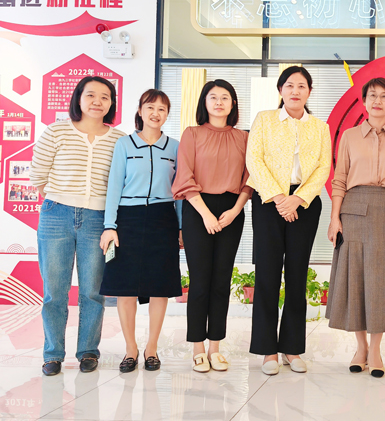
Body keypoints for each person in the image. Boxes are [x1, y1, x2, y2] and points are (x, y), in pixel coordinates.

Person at [30, 76, 126, 376]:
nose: (98, 101)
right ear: (79, 99)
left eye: (105, 97)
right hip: (56, 215)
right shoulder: (56, 131)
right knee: (54, 291)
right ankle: (52, 354)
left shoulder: (119, 139)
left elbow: (120, 183)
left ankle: (88, 351)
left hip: (98, 219)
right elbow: (38, 175)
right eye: (91, 95)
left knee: (93, 291)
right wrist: (61, 200)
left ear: (111, 103)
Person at [326, 77, 385, 378]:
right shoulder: (349, 136)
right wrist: (334, 217)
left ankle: (375, 350)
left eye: (384, 96)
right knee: (356, 280)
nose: (378, 101)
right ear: (364, 102)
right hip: (353, 212)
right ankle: (360, 347)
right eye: (372, 95)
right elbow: (339, 179)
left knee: (381, 283)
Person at [247, 66, 331, 375]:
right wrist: (279, 198)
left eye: (302, 86)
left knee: (297, 275)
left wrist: (298, 198)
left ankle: (292, 348)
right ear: (280, 90)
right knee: (267, 274)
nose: (295, 91)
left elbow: (324, 166)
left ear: (309, 92)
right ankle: (268, 350)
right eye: (290, 85)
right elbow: (254, 159)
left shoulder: (320, 127)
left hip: (305, 204)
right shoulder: (264, 119)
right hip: (269, 202)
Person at [99, 89, 183, 373]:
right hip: (128, 218)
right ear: (140, 111)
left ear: (167, 114)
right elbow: (114, 186)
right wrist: (110, 226)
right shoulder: (124, 144)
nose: (155, 113)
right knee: (125, 287)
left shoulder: (175, 147)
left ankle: (152, 349)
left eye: (161, 109)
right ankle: (130, 349)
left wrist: (180, 227)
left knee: (160, 287)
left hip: (163, 218)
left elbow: (179, 192)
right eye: (150, 107)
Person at [172, 79, 252, 373]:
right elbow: (184, 177)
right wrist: (205, 214)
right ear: (204, 102)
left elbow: (250, 178)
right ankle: (197, 348)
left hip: (232, 209)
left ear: (233, 104)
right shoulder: (192, 134)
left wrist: (235, 210)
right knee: (200, 280)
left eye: (225, 97)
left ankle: (215, 347)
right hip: (198, 209)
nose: (219, 102)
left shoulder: (244, 138)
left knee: (221, 281)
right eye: (213, 97)